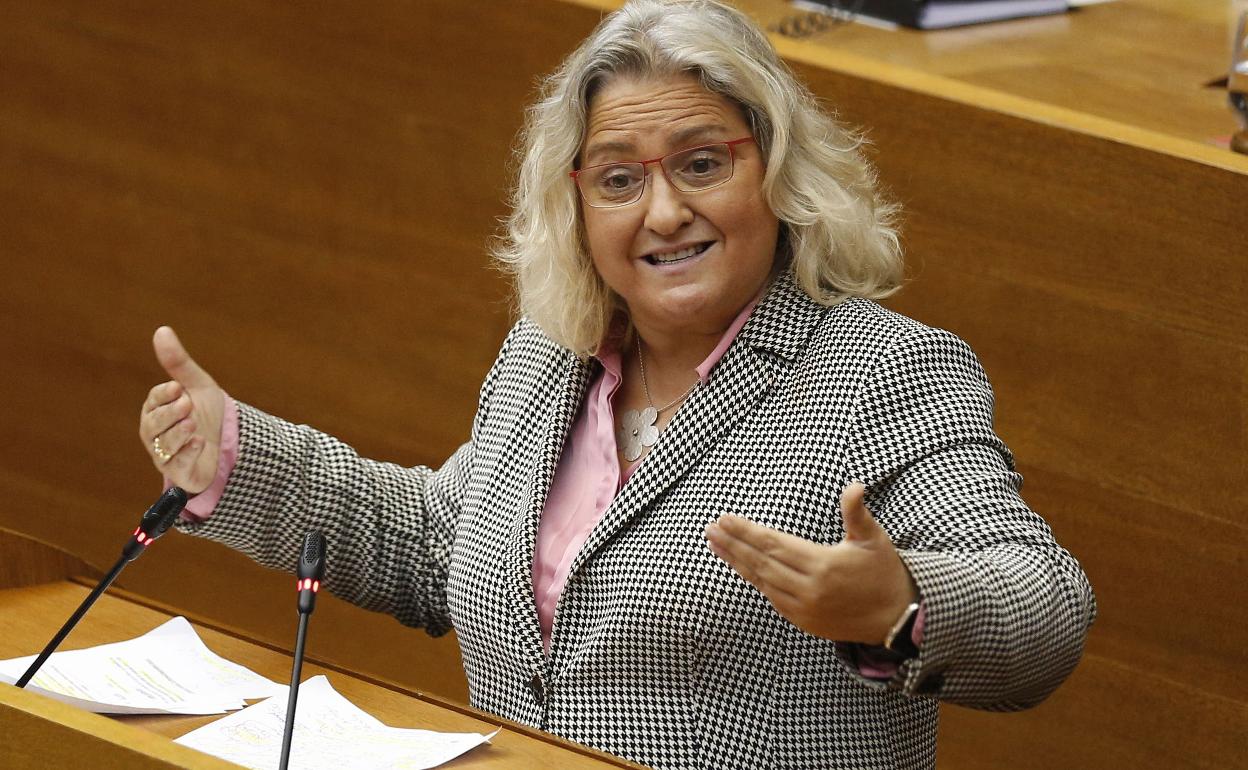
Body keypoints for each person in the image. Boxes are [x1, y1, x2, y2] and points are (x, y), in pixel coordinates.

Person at [137, 1, 1096, 768]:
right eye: (619, 179)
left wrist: (900, 605)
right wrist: (230, 449)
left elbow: (1043, 607)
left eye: (703, 164)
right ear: (577, 202)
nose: (665, 211)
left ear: (781, 171)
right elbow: (436, 545)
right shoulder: (549, 356)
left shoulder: (880, 372)